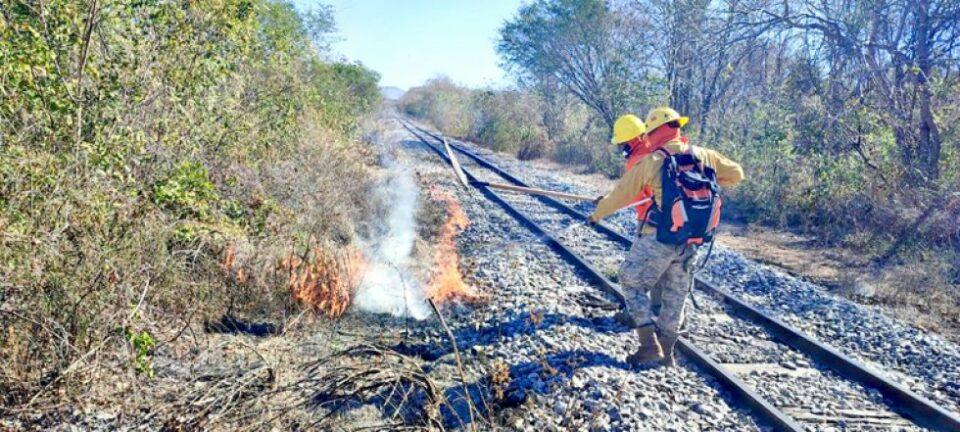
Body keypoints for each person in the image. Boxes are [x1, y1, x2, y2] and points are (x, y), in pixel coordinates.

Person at [589, 107, 745, 368]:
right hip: (692, 239)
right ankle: (667, 354)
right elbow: (737, 173)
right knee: (676, 294)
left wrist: (596, 215)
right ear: (676, 128)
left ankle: (649, 346)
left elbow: (620, 196)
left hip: (659, 237)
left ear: (655, 132)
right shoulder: (705, 155)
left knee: (630, 280)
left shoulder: (652, 161)